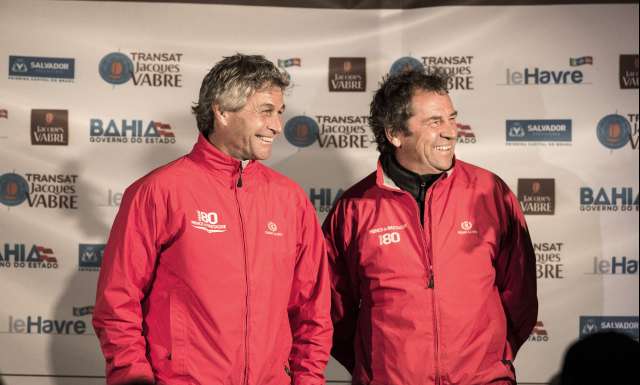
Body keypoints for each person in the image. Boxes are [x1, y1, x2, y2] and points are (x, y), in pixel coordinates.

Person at [93, 54, 332, 385]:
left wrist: (308, 381)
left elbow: (313, 311)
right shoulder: (158, 192)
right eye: (265, 111)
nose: (277, 126)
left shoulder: (291, 200)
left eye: (279, 113)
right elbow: (117, 303)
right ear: (222, 111)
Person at [323, 69, 538, 385]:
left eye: (452, 119)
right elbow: (332, 310)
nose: (451, 132)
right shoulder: (355, 207)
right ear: (396, 133)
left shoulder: (489, 192)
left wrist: (493, 359)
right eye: (435, 122)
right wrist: (378, 368)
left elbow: (520, 296)